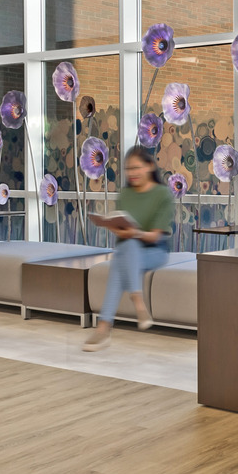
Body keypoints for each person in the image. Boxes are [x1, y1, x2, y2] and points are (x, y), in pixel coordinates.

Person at [83, 146, 174, 352]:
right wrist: (115, 227)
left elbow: (155, 236)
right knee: (123, 253)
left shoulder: (162, 194)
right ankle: (137, 305)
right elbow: (122, 232)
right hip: (127, 249)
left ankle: (104, 329)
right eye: (128, 169)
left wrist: (133, 233)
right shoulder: (125, 194)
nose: (132, 173)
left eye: (136, 168)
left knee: (122, 256)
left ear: (150, 166)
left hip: (155, 251)